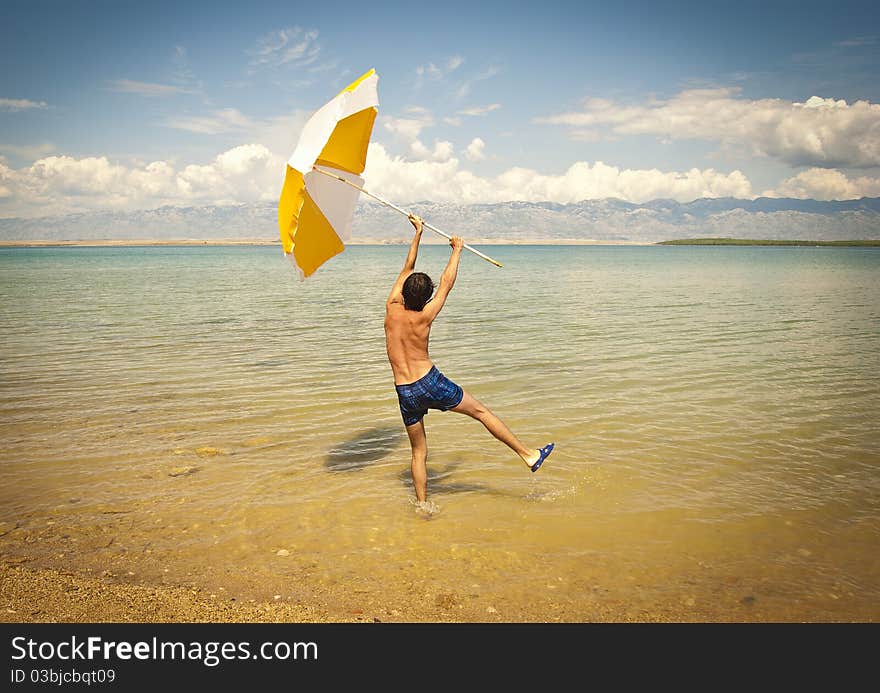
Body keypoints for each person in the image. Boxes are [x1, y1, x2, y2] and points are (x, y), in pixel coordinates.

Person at [384, 213, 555, 503]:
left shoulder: (390, 308)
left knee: (419, 452)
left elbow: (407, 267)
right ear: (426, 297)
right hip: (430, 382)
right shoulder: (425, 316)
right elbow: (447, 283)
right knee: (481, 413)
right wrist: (457, 250)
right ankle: (528, 455)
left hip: (405, 391)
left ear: (402, 291)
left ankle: (423, 506)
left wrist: (418, 234)